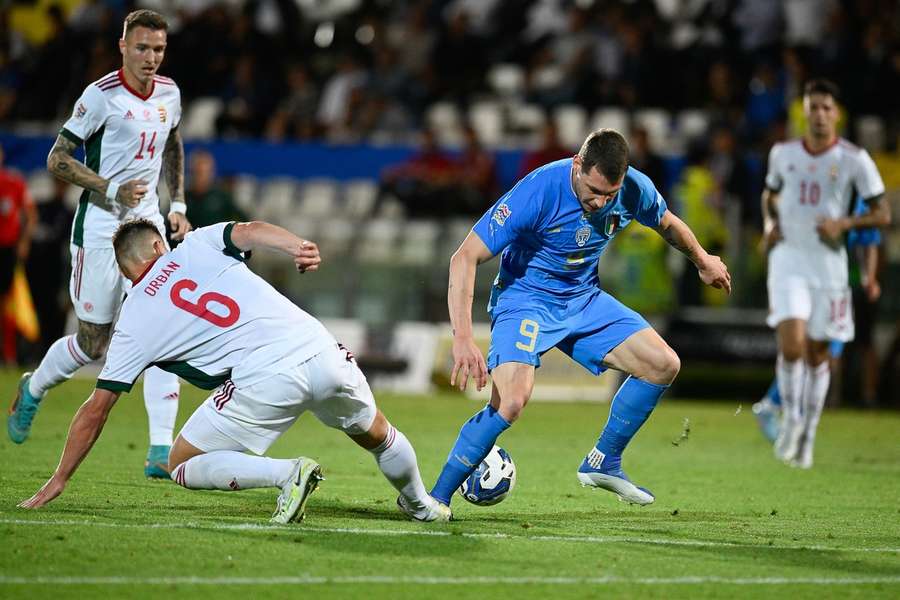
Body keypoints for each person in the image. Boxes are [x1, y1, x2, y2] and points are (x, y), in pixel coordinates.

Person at [18, 219, 451, 524]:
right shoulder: (197, 244)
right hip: (319, 346)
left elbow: (98, 407)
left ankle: (288, 473)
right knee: (375, 431)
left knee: (181, 462)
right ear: (157, 246)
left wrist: (60, 479)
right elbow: (250, 230)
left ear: (124, 268)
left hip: (266, 376)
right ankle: (420, 504)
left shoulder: (132, 320)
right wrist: (297, 245)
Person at [430, 129, 731, 508]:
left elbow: (667, 222)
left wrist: (703, 261)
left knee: (663, 364)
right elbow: (464, 256)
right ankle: (436, 499)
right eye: (594, 190)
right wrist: (462, 337)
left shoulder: (633, 188)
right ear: (577, 165)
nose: (601, 201)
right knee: (511, 401)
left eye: (610, 193)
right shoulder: (538, 190)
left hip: (583, 299)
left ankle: (604, 461)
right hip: (526, 300)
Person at [7, 10, 191, 480]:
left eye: (159, 49)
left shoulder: (169, 93)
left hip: (147, 224)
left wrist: (179, 203)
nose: (151, 58)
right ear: (123, 47)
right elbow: (57, 158)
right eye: (143, 48)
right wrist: (109, 187)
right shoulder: (101, 97)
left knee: (163, 326)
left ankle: (159, 450)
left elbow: (172, 143)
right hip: (100, 229)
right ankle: (35, 388)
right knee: (94, 343)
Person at [761, 79, 889, 469]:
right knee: (792, 345)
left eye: (825, 108)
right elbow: (770, 194)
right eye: (811, 107)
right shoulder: (782, 153)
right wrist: (769, 223)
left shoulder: (854, 159)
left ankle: (809, 432)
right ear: (803, 111)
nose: (818, 114)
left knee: (819, 355)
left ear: (836, 114)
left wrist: (844, 223)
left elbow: (882, 213)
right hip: (788, 261)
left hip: (829, 268)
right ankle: (791, 420)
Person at [0, 143, 37, 364]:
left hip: (7, 250)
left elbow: (31, 215)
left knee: (10, 303)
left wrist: (24, 242)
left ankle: (10, 354)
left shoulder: (14, 182)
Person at [184, 150, 247, 229]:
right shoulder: (182, 199)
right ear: (191, 172)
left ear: (212, 172)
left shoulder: (222, 197)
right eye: (198, 172)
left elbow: (243, 222)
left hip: (215, 241)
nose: (202, 177)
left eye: (205, 172)